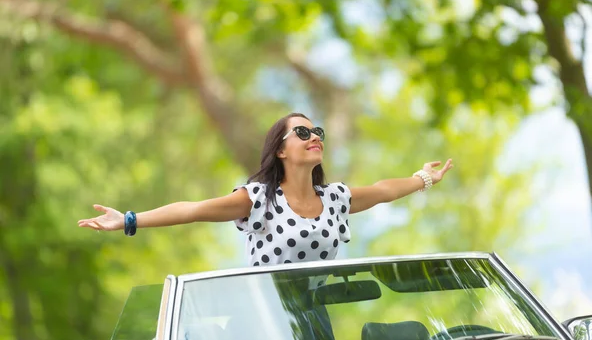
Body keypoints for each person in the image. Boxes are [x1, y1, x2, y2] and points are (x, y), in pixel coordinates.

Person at [78, 112, 453, 266]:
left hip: (312, 319)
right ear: (280, 149)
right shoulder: (258, 199)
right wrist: (129, 220)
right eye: (302, 133)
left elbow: (384, 189)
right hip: (263, 319)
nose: (313, 138)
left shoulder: (335, 198)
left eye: (317, 133)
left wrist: (423, 179)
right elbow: (192, 209)